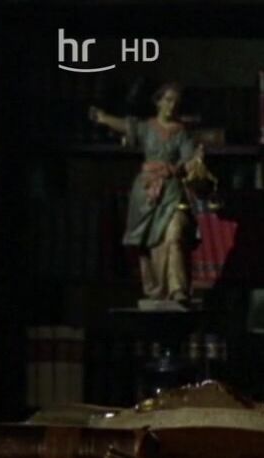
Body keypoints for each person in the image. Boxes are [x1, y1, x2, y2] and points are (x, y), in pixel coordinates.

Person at [90, 82, 206, 303]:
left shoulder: (182, 132)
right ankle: (156, 289)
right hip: (146, 193)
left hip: (172, 191)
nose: (172, 106)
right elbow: (127, 126)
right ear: (158, 102)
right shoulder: (147, 127)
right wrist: (104, 118)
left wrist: (191, 163)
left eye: (176, 102)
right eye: (168, 100)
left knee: (175, 233)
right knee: (149, 242)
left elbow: (189, 159)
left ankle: (178, 288)